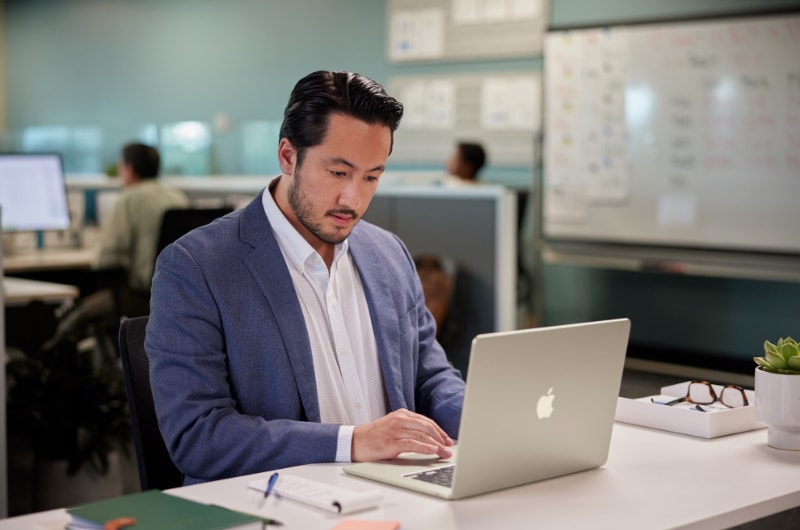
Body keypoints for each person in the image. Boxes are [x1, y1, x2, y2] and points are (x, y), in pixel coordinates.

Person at [145, 70, 466, 484]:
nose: (354, 198)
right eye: (338, 173)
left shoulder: (389, 254)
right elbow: (199, 436)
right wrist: (353, 442)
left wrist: (485, 420)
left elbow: (429, 376)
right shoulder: (196, 266)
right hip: (277, 503)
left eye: (372, 177)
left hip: (393, 494)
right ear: (288, 156)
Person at [94, 142, 190, 315]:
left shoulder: (129, 198)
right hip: (179, 295)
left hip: (140, 296)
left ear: (129, 169)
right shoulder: (178, 196)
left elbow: (106, 258)